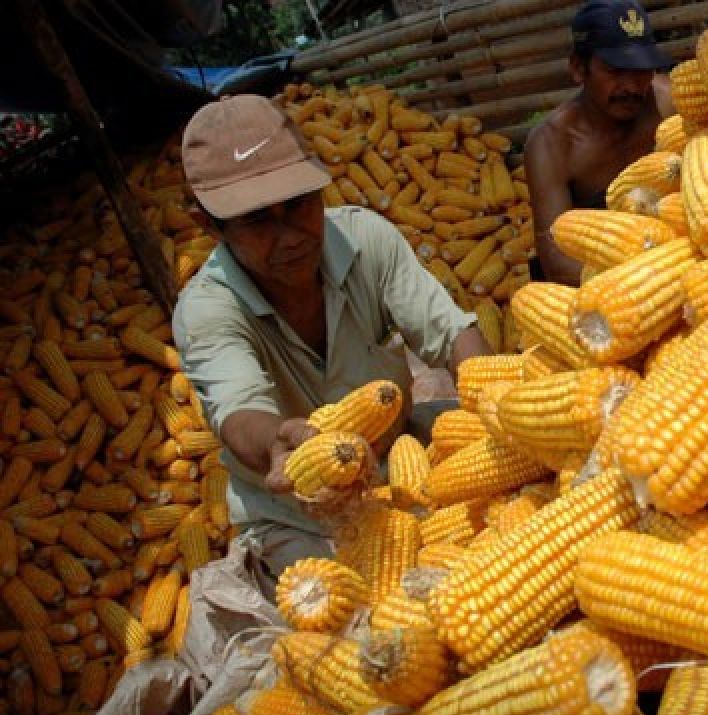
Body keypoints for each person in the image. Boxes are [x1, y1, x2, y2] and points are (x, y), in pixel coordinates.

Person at [173, 94, 490, 589]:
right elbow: (239, 414)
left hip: (399, 452)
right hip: (295, 511)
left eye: (299, 204)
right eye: (258, 219)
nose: (290, 235)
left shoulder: (366, 240)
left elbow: (451, 332)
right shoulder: (207, 309)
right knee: (359, 602)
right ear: (208, 226)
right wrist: (279, 446)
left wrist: (491, 395)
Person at [524, 0, 675, 286]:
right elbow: (557, 260)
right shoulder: (553, 145)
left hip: (674, 255)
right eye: (615, 71)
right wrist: (640, 284)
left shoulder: (667, 104)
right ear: (579, 68)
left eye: (642, 70)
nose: (631, 87)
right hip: (604, 283)